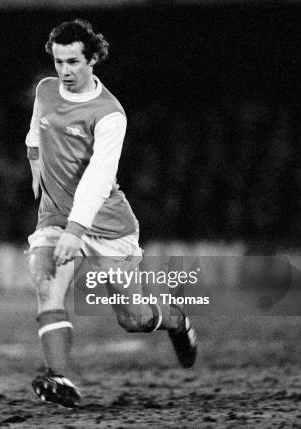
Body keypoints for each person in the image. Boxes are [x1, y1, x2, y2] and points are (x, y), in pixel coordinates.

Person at [25, 19, 198, 408]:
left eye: (73, 62)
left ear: (93, 60)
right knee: (46, 279)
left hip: (106, 225)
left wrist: (75, 229)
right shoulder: (45, 90)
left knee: (133, 318)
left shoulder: (109, 114)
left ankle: (175, 319)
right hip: (56, 219)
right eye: (58, 61)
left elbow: (99, 178)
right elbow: (35, 130)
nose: (64, 71)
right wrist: (35, 159)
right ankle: (61, 377)